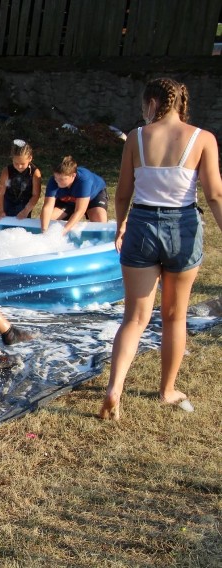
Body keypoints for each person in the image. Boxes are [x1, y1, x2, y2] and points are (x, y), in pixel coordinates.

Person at [99, 77, 222, 421]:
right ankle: (167, 390)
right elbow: (214, 195)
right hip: (182, 227)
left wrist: (121, 223)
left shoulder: (136, 138)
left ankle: (115, 388)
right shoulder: (203, 139)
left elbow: (123, 192)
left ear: (151, 103)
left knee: (134, 318)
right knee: (174, 316)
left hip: (141, 225)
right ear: (182, 103)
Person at [40, 156, 108, 234]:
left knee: (100, 223)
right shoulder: (53, 181)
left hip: (94, 197)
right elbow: (47, 207)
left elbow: (80, 210)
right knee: (49, 219)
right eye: (56, 177)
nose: (57, 181)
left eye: (62, 179)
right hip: (69, 200)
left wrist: (63, 231)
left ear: (73, 175)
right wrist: (44, 231)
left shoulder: (84, 180)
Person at [0, 139, 42, 220]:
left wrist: (26, 211)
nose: (19, 166)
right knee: (6, 221)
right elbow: (0, 193)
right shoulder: (6, 171)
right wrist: (0, 211)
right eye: (16, 163)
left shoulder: (35, 173)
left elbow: (36, 195)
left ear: (30, 158)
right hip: (8, 200)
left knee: (21, 224)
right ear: (12, 159)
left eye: (22, 164)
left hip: (25, 203)